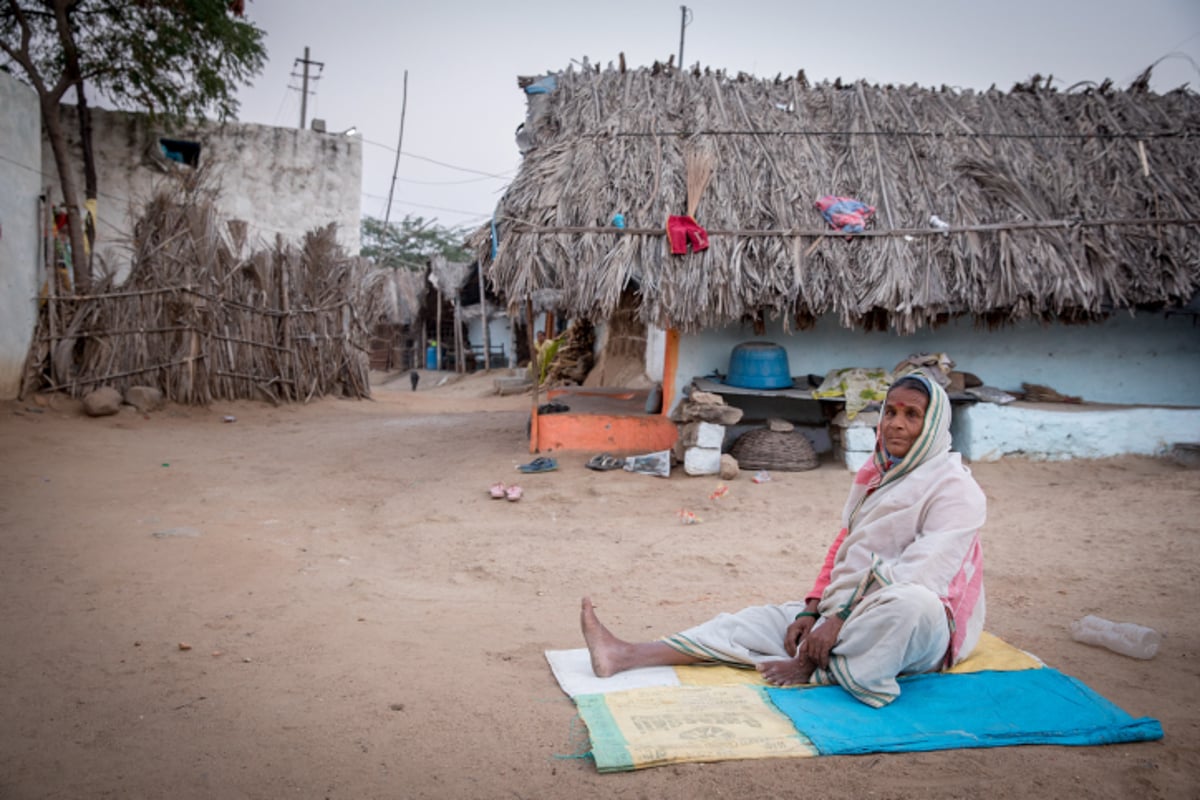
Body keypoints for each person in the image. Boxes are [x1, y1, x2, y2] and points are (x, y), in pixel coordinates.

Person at [580, 373, 986, 707]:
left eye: (912, 415)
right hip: (846, 609)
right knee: (756, 623)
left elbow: (922, 574)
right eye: (891, 412)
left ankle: (817, 665)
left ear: (933, 426)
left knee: (907, 605)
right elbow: (846, 546)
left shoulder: (955, 490)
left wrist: (838, 621)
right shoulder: (878, 473)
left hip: (919, 626)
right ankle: (626, 654)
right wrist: (812, 611)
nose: (896, 423)